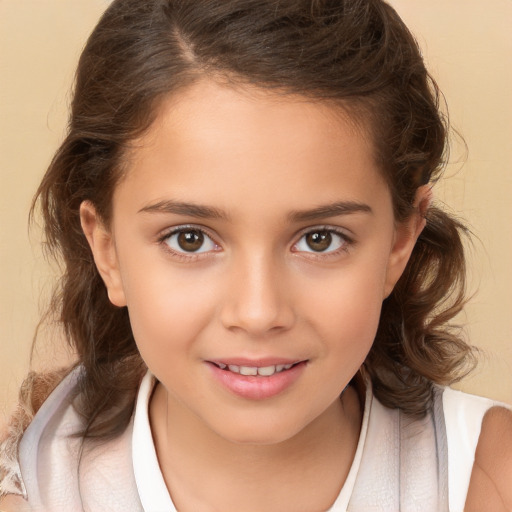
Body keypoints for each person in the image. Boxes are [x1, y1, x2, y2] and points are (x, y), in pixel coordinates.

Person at [0, 0, 511, 510]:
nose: (258, 312)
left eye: (320, 239)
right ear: (106, 249)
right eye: (190, 239)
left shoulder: (491, 478)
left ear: (400, 242)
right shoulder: (34, 493)